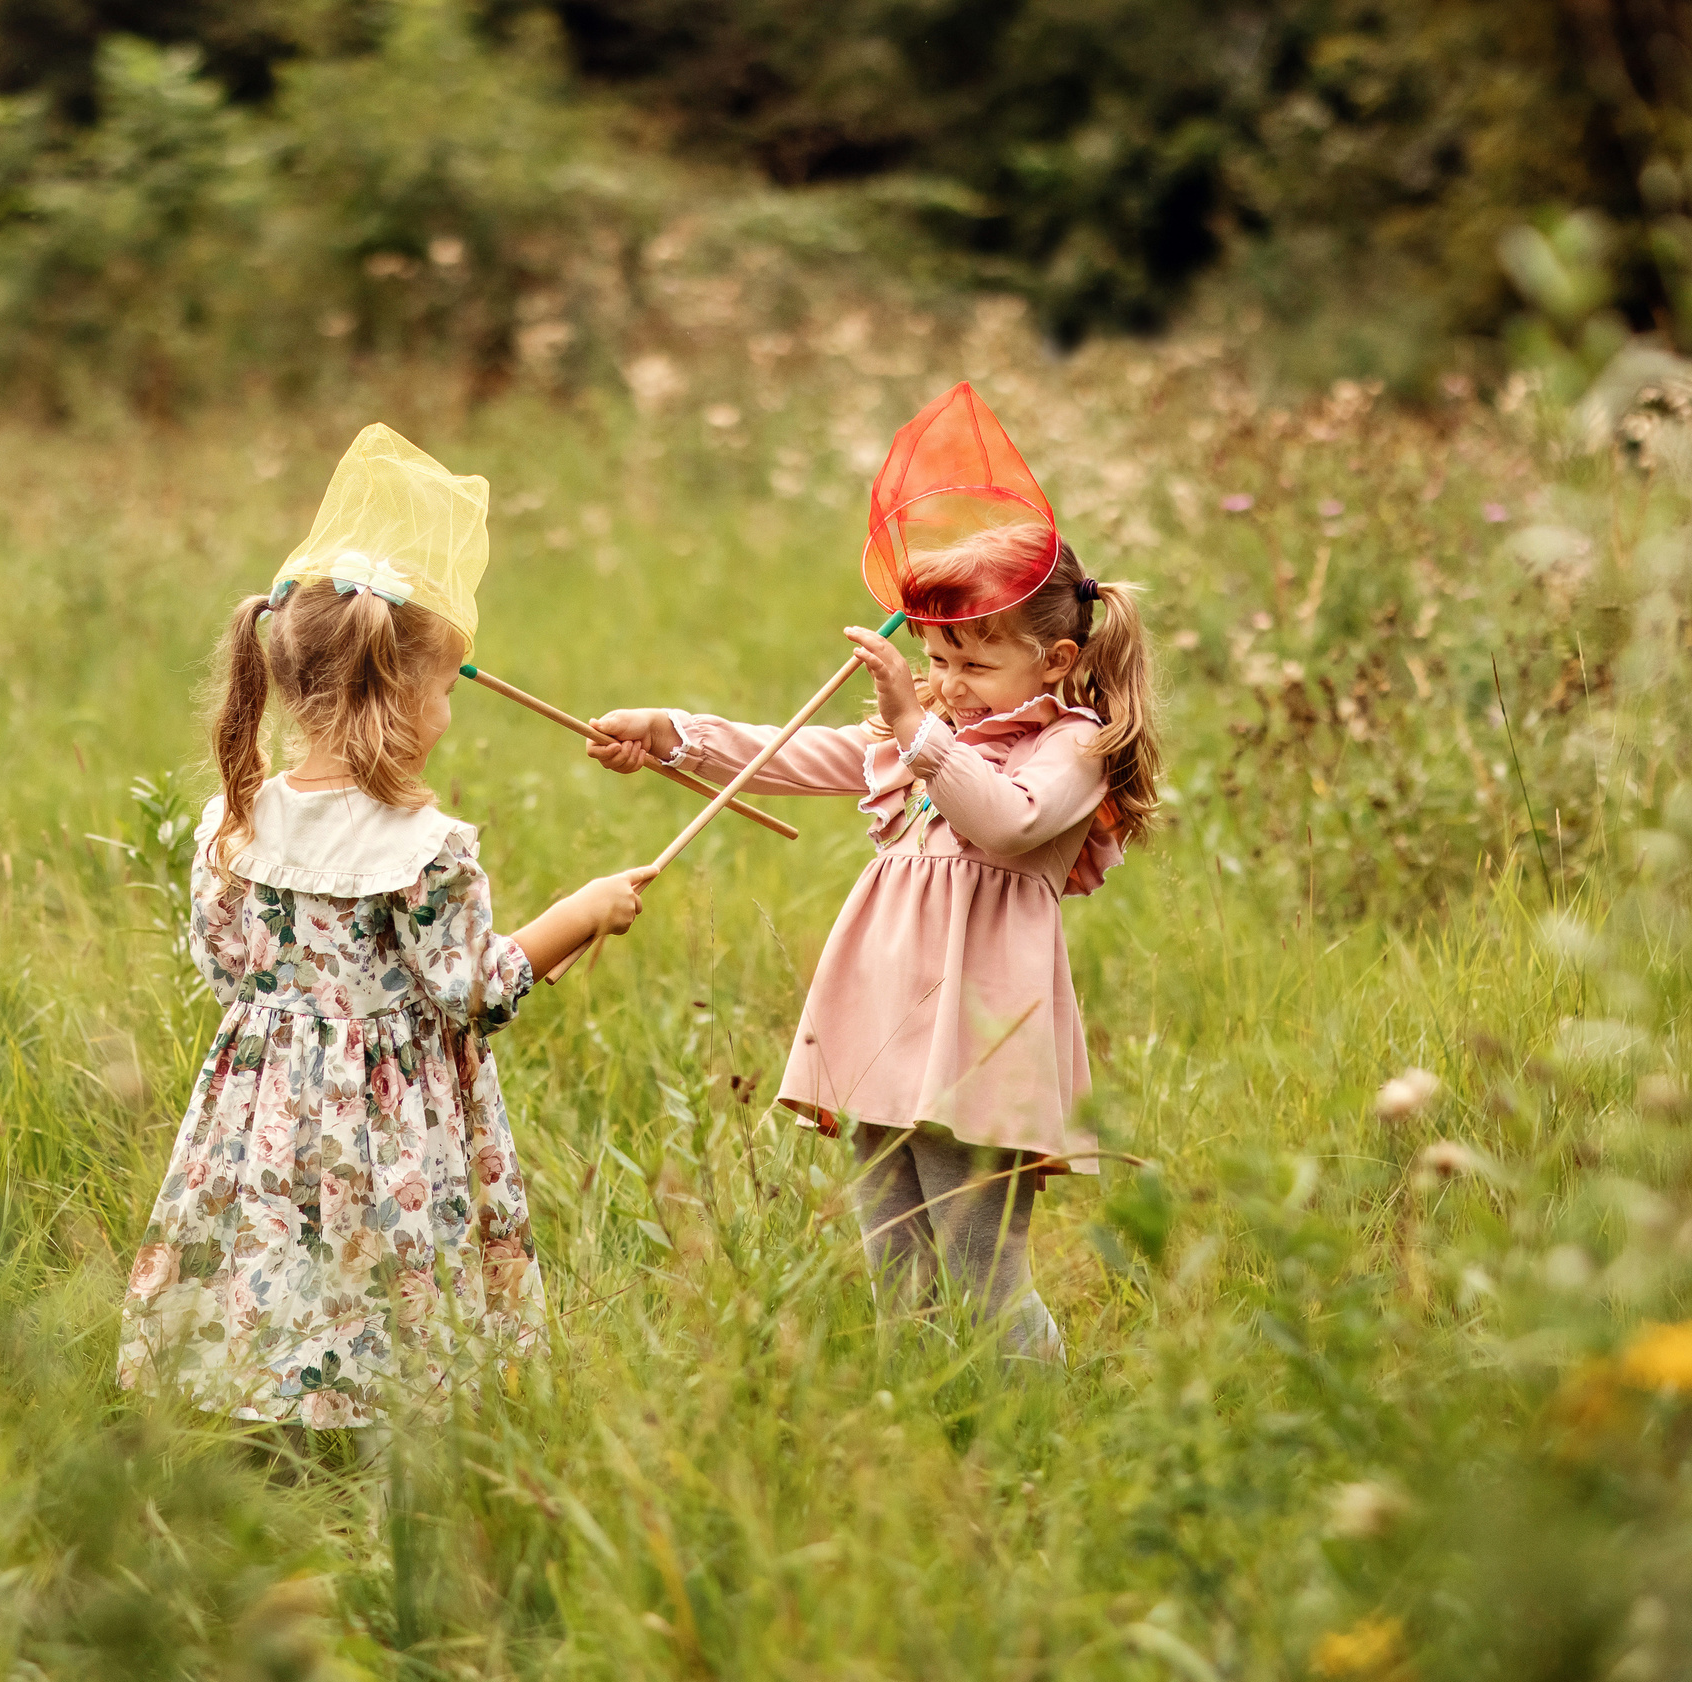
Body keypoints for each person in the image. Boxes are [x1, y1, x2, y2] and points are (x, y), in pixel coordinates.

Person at [587, 389, 1161, 1362]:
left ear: (1055, 659)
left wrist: (916, 728)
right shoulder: (933, 739)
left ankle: (1034, 1429)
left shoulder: (1069, 750)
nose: (943, 681)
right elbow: (789, 754)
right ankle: (935, 1422)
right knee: (897, 1265)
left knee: (983, 1276)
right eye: (934, 657)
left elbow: (1007, 823)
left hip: (981, 1044)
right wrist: (673, 734)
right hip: (888, 1024)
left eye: (971, 662)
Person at [119, 424, 649, 1430]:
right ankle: (376, 1439)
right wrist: (581, 916)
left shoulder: (233, 820)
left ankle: (269, 1419)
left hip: (264, 1106)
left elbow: (225, 966)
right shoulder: (424, 846)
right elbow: (472, 990)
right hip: (387, 1117)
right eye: (445, 688)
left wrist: (300, 1020)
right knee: (383, 1247)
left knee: (280, 1247)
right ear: (402, 696)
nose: (448, 709)